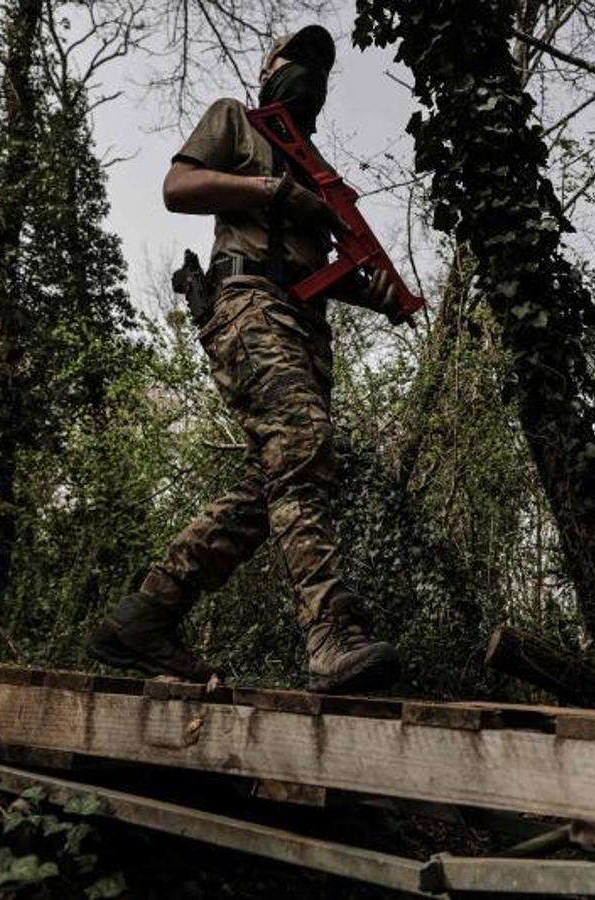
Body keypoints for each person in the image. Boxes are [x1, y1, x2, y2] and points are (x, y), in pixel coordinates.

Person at [87, 25, 404, 693]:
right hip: (248, 301)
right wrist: (270, 190)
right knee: (303, 444)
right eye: (297, 58)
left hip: (306, 322)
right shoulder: (238, 120)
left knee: (285, 477)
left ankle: (144, 617)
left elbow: (324, 265)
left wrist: (372, 290)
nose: (308, 74)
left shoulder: (319, 172)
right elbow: (178, 188)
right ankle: (329, 635)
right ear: (268, 68)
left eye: (321, 68)